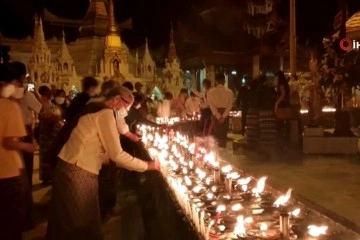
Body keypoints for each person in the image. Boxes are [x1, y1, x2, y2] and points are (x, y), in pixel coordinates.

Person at [46, 85, 160, 240]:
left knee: (79, 217)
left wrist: (128, 140)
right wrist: (148, 166)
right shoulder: (105, 114)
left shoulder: (97, 109)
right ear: (117, 100)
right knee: (79, 221)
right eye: (127, 105)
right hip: (76, 170)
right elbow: (117, 155)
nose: (127, 110)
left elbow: (106, 146)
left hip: (75, 167)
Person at [0, 63, 36, 240]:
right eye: (17, 83)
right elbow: (9, 142)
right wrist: (27, 146)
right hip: (7, 172)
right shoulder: (9, 107)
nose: (18, 87)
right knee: (11, 223)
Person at [10, 61, 42, 231]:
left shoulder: (7, 96)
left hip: (13, 137)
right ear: (22, 76)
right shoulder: (23, 94)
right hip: (22, 133)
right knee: (24, 176)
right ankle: (25, 217)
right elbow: (38, 107)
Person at [37, 86, 63, 183]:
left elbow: (57, 115)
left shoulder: (51, 105)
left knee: (50, 153)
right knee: (44, 154)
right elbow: (42, 116)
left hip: (51, 132)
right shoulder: (40, 105)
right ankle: (45, 176)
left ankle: (50, 175)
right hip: (45, 132)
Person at [207, 73, 234, 148]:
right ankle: (223, 148)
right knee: (224, 134)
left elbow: (211, 106)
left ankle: (217, 152)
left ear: (216, 81)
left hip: (216, 114)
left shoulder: (210, 92)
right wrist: (223, 116)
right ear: (224, 81)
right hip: (225, 114)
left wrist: (218, 116)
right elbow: (230, 106)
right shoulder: (230, 92)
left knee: (216, 133)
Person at [274, 70, 291, 146]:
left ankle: (281, 141)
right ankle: (286, 140)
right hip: (287, 106)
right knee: (286, 123)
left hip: (282, 106)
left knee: (279, 123)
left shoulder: (281, 85)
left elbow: (283, 94)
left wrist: (277, 103)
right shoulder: (286, 84)